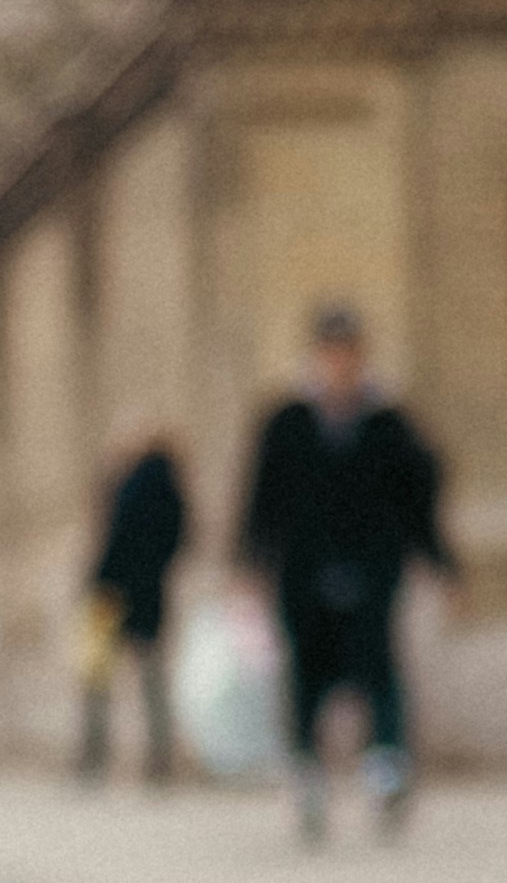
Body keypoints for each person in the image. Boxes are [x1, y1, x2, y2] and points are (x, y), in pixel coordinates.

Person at [236, 308, 454, 839]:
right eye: (331, 352)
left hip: (373, 564)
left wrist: (442, 562)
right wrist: (249, 563)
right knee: (306, 669)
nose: (340, 363)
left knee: (377, 666)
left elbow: (418, 499)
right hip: (303, 567)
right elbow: (261, 499)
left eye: (348, 352)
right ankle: (307, 770)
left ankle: (385, 767)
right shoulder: (286, 420)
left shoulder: (388, 422)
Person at [79, 433, 188, 779]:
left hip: (112, 593)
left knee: (97, 676)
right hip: (148, 593)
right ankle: (159, 760)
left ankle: (94, 759)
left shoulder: (133, 486)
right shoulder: (171, 488)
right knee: (150, 679)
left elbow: (114, 541)